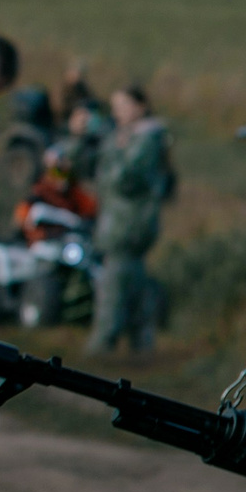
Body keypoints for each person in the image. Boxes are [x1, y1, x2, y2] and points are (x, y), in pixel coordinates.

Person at [84, 85, 171, 354]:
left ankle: (101, 348)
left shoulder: (145, 140)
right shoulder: (131, 137)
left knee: (113, 288)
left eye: (123, 106)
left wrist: (110, 148)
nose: (116, 113)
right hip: (126, 224)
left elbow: (124, 178)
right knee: (133, 285)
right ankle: (140, 345)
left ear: (141, 106)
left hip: (127, 226)